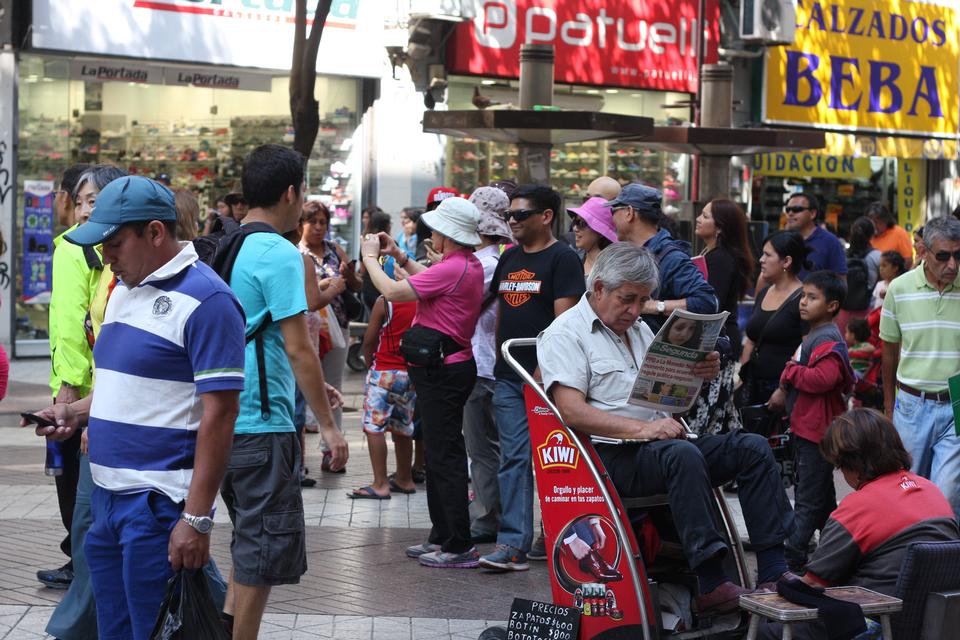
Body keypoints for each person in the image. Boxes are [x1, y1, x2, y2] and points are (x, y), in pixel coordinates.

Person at [26, 175, 246, 640]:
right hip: (106, 498)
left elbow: (221, 414)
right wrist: (75, 412)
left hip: (156, 505)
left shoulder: (209, 301)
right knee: (114, 630)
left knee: (153, 630)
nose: (106, 256)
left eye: (115, 243)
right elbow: (122, 384)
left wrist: (197, 517)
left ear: (155, 232)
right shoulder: (124, 287)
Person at [538, 243, 794, 616]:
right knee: (681, 453)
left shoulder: (640, 329)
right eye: (627, 299)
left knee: (751, 447)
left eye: (642, 301)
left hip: (661, 444)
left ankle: (774, 568)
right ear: (598, 290)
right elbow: (571, 412)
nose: (634, 310)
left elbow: (672, 404)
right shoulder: (566, 334)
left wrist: (694, 375)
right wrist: (643, 431)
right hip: (609, 455)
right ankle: (711, 580)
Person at [220, 144, 348, 640]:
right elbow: (299, 346)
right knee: (261, 552)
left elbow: (264, 338)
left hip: (226, 419)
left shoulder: (229, 244)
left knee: (246, 544)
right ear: (291, 192)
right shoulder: (277, 252)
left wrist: (318, 389)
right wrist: (331, 428)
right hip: (263, 425)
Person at [757, 409, 960, 640]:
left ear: (852, 464)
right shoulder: (931, 490)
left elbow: (813, 583)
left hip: (874, 624)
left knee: (765, 631)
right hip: (933, 624)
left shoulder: (858, 507)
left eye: (839, 467)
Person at [361, 196, 485, 569]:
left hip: (444, 371)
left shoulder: (456, 266)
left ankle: (457, 544)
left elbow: (396, 292)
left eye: (437, 230)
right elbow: (424, 280)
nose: (432, 234)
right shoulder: (463, 264)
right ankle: (442, 536)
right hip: (445, 369)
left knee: (444, 458)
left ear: (447, 234)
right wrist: (399, 256)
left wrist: (370, 258)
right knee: (438, 453)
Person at [481, 184, 586, 572]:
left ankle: (559, 536)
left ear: (546, 216)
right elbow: (501, 315)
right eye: (509, 215)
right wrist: (498, 360)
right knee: (514, 457)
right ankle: (513, 544)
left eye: (520, 215)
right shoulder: (509, 259)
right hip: (509, 375)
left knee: (557, 461)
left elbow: (565, 322)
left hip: (549, 380)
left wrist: (547, 369)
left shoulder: (563, 259)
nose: (512, 221)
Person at [43, 164, 123, 592]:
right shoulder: (89, 249)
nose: (85, 211)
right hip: (84, 391)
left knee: (75, 486)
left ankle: (83, 567)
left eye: (95, 200)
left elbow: (77, 326)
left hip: (82, 395)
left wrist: (69, 391)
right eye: (81, 201)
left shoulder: (78, 250)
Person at [880, 215, 960, 517]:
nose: (952, 264)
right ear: (924, 252)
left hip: (956, 401)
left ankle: (944, 558)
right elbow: (889, 352)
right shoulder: (899, 289)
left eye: (958, 254)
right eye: (943, 256)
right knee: (910, 489)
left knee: (948, 492)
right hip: (911, 404)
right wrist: (889, 408)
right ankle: (911, 557)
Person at [779, 271, 855, 570]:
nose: (803, 302)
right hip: (810, 428)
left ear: (832, 305)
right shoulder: (817, 334)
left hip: (817, 432)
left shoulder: (827, 337)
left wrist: (790, 372)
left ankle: (793, 556)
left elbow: (825, 378)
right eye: (803, 296)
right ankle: (836, 555)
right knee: (822, 499)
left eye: (813, 298)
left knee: (808, 497)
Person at [463, 186, 513, 543]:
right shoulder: (498, 261)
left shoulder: (485, 264)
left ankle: (486, 519)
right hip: (491, 366)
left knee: (482, 450)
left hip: (481, 366)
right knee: (494, 449)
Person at [299, 200, 362, 466]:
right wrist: (323, 285)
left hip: (337, 326)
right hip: (306, 328)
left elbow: (356, 285)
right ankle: (298, 454)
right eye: (312, 221)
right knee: (301, 386)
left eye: (322, 222)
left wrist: (349, 276)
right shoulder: (295, 252)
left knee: (334, 385)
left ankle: (331, 449)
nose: (318, 228)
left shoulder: (335, 250)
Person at [609, 183, 717, 329]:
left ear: (629, 212)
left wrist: (655, 306)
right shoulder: (629, 252)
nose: (611, 218)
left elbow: (706, 301)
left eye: (613, 211)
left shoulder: (671, 258)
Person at [691, 198, 754, 435]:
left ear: (720, 227)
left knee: (710, 415)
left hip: (717, 341)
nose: (698, 219)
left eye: (706, 216)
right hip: (718, 339)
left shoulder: (721, 259)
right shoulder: (712, 253)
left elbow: (710, 305)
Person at [349, 294, 417, 499]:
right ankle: (405, 479)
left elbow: (369, 340)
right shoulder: (421, 297)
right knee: (403, 427)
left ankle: (380, 484)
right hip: (409, 373)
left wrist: (371, 365)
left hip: (384, 371)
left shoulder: (385, 301)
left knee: (374, 427)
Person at [741, 231, 807, 409]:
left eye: (768, 255)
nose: (761, 259)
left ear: (786, 261)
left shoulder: (803, 298)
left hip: (782, 391)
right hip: (753, 384)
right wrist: (742, 375)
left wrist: (784, 389)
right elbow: (751, 339)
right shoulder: (763, 292)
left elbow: (807, 349)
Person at [780, 193, 847, 281]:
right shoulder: (781, 240)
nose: (790, 213)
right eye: (788, 210)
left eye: (797, 209)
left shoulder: (830, 242)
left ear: (812, 213)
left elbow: (841, 281)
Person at [837, 216, 880, 335]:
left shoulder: (842, 255)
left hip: (843, 312)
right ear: (872, 235)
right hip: (868, 313)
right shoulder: (877, 257)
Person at [567, 196, 616, 276]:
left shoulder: (614, 269)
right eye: (575, 222)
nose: (575, 228)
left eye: (581, 223)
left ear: (600, 232)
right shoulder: (573, 259)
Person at [867, 202, 913, 269]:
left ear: (886, 220)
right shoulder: (867, 234)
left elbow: (908, 260)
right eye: (871, 222)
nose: (874, 226)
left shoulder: (899, 233)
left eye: (877, 222)